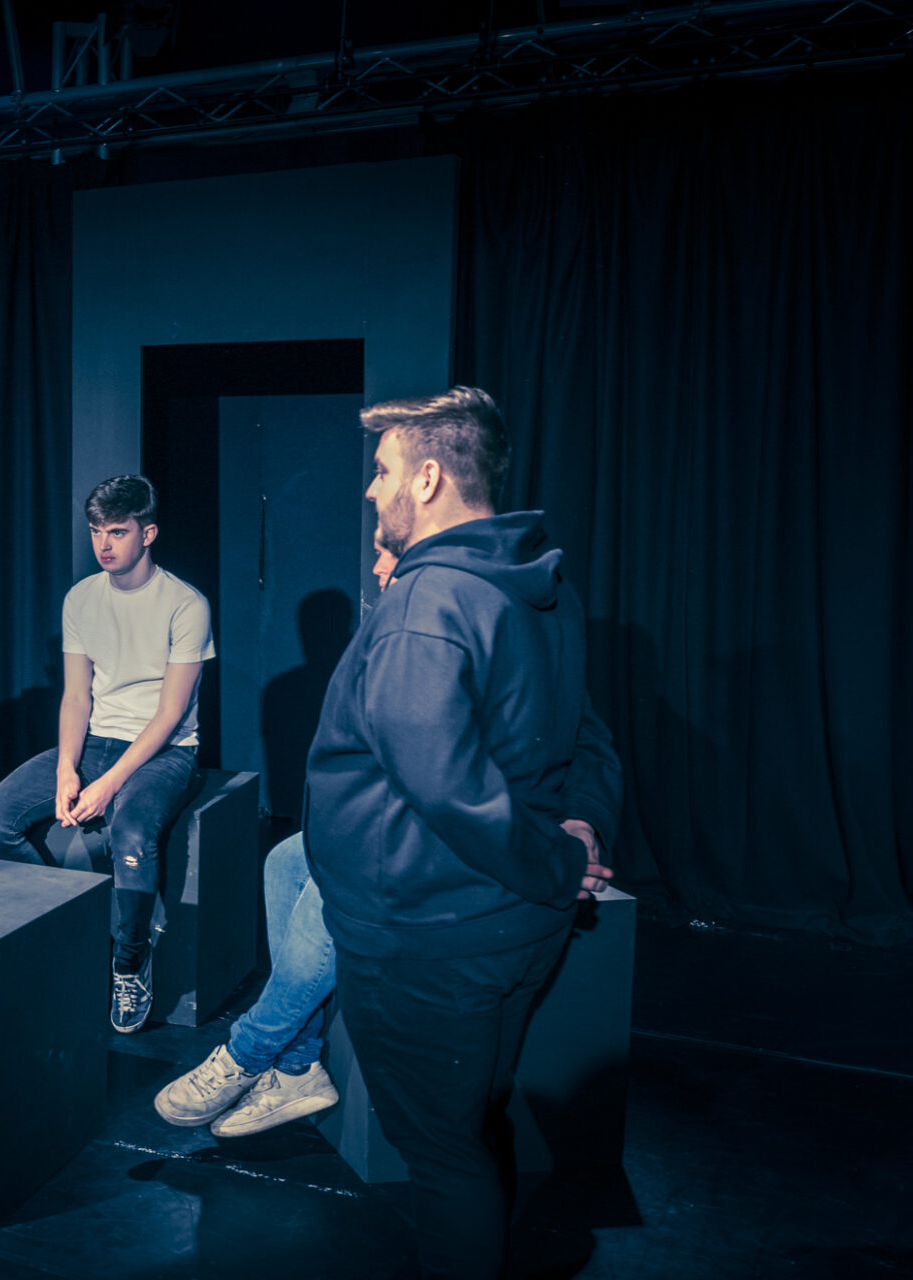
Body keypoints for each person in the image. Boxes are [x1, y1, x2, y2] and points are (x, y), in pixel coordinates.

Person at [305, 386, 621, 1280]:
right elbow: (588, 735)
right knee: (473, 1127)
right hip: (516, 930)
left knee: (442, 1155)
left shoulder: (425, 602)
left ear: (431, 476)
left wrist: (562, 860)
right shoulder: (544, 583)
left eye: (384, 470)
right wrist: (583, 829)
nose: (373, 490)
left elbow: (442, 782)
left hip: (431, 942)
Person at [153, 539, 399, 1136]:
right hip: (372, 819)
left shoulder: (434, 632)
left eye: (390, 553)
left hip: (414, 839)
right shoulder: (389, 630)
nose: (376, 566)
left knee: (329, 886)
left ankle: (248, 1053)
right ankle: (297, 1066)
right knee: (284, 863)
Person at [0, 474, 212, 1032]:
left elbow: (170, 714)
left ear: (147, 533)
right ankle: (69, 925)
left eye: (118, 532)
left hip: (165, 752)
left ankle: (129, 962)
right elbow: (77, 696)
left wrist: (107, 785)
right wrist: (65, 768)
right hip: (96, 741)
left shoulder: (185, 604)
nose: (104, 544)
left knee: (131, 836)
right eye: (97, 531)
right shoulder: (81, 597)